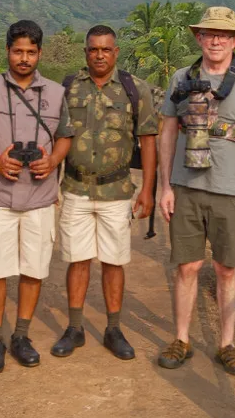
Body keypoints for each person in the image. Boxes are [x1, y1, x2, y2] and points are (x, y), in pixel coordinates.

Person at [157, 6, 235, 376]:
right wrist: (165, 186)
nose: (216, 40)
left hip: (229, 189)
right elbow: (167, 131)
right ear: (199, 38)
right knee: (187, 266)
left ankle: (226, 344)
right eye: (209, 34)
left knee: (226, 268)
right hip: (187, 186)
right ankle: (181, 339)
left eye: (224, 35)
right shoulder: (182, 77)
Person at [0, 19, 74, 373]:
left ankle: (21, 336)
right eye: (17, 51)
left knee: (34, 268)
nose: (24, 58)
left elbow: (65, 135)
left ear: (40, 53)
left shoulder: (56, 93)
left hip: (40, 195)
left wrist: (53, 161)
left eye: (30, 52)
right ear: (7, 51)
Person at [50, 24, 158, 361]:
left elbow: (148, 141)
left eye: (106, 49)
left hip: (117, 189)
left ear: (116, 52)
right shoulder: (68, 87)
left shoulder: (134, 89)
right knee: (77, 259)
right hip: (76, 187)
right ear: (86, 52)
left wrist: (148, 190)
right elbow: (55, 136)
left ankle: (113, 329)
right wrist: (51, 183)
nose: (100, 55)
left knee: (114, 261)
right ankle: (75, 327)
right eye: (94, 49)